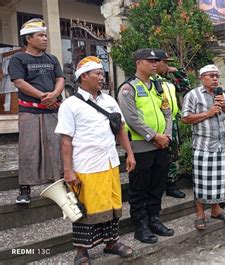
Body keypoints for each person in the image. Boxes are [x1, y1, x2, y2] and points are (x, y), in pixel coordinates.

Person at [55, 56, 136, 264]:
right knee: (85, 209)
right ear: (83, 77)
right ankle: (82, 250)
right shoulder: (70, 105)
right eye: (97, 74)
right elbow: (66, 140)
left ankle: (111, 243)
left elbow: (120, 129)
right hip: (86, 166)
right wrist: (68, 170)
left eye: (102, 73)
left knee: (111, 205)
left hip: (110, 163)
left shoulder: (109, 101)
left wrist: (130, 153)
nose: (102, 77)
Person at [118, 48, 174, 244]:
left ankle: (154, 219)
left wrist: (166, 135)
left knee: (157, 186)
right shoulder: (128, 88)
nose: (154, 64)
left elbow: (167, 112)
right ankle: (140, 225)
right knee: (139, 188)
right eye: (150, 61)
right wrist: (154, 136)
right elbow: (131, 119)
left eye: (156, 61)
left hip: (161, 146)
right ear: (138, 63)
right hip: (141, 147)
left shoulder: (158, 86)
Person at [8, 18, 64, 204]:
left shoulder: (52, 59)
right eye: (40, 35)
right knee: (29, 149)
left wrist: (55, 94)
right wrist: (43, 96)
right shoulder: (18, 59)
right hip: (30, 111)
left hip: (51, 110)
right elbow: (19, 82)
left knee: (56, 147)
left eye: (45, 35)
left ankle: (60, 183)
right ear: (28, 39)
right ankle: (25, 188)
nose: (45, 38)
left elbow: (60, 79)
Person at [182, 64, 225, 231]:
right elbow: (185, 118)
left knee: (219, 181)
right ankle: (200, 214)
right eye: (211, 76)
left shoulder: (222, 95)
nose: (215, 79)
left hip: (220, 145)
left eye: (217, 76)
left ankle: (216, 210)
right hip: (203, 146)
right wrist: (208, 113)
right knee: (201, 182)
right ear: (202, 78)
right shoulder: (193, 95)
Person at [152, 53, 186, 199]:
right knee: (160, 156)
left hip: (172, 121)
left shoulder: (168, 81)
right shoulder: (150, 81)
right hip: (158, 123)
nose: (167, 65)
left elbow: (185, 85)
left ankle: (171, 184)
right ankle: (158, 185)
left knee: (173, 155)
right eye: (165, 62)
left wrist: (176, 70)